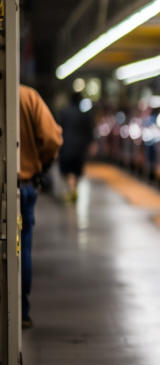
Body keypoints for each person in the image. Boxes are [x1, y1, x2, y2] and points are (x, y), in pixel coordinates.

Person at [19, 85, 63, 328]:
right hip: (23, 185)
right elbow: (52, 139)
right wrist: (41, 163)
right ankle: (21, 311)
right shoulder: (28, 96)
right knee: (21, 247)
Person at [57, 92, 94, 201]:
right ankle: (74, 190)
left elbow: (58, 129)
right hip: (80, 147)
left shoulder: (63, 113)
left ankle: (72, 190)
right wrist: (90, 144)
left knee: (68, 170)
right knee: (77, 170)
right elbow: (89, 131)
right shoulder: (84, 115)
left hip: (66, 146)